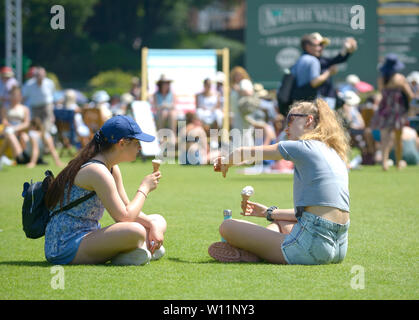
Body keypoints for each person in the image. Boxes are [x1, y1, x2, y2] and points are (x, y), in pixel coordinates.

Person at [210, 98, 350, 265]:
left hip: (309, 247)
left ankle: (254, 251)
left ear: (308, 120)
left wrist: (226, 162)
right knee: (280, 224)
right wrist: (268, 213)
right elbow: (313, 215)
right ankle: (257, 251)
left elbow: (245, 152)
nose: (286, 127)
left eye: (290, 119)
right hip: (339, 248)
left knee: (228, 227)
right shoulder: (334, 153)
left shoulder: (302, 147)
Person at [43, 115, 167, 265]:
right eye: (137, 142)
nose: (140, 147)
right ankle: (133, 251)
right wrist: (144, 188)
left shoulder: (111, 168)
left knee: (158, 220)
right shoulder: (97, 171)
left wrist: (152, 225)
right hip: (64, 246)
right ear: (122, 143)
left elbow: (128, 208)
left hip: (88, 236)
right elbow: (124, 218)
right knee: (136, 231)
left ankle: (135, 252)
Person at [371, 54, 414, 170]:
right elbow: (410, 95)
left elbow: (382, 93)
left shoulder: (381, 79)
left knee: (385, 137)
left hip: (384, 110)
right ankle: (398, 163)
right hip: (397, 111)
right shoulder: (400, 78)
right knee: (398, 138)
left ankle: (384, 163)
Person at [291, 33, 357, 108]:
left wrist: (347, 51)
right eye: (318, 45)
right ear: (308, 46)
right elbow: (314, 82)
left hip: (310, 99)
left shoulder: (303, 59)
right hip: (319, 98)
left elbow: (335, 60)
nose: (321, 48)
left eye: (322, 45)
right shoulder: (312, 60)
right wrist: (329, 72)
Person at [22, 67, 56, 133]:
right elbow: (24, 97)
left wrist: (52, 112)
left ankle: (46, 137)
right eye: (38, 75)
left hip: (47, 106)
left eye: (42, 75)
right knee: (35, 125)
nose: (40, 77)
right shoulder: (29, 84)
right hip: (34, 108)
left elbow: (52, 95)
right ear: (35, 76)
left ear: (45, 75)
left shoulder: (49, 83)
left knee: (47, 124)